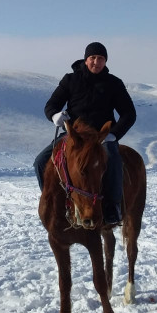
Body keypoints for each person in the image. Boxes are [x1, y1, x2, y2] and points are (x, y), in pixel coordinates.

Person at [34, 42, 136, 224]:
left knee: (113, 159)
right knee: (41, 161)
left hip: (100, 137)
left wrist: (114, 134)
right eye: (93, 58)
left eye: (101, 58)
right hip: (74, 136)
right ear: (86, 59)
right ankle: (51, 199)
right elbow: (51, 105)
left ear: (105, 61)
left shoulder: (114, 84)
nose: (96, 62)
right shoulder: (70, 80)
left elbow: (129, 114)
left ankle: (112, 206)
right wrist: (54, 115)